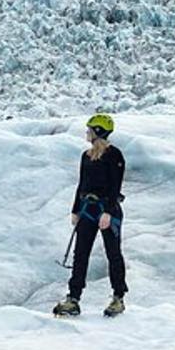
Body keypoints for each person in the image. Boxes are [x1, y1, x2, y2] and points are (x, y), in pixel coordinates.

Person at [54, 113, 128, 317]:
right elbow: (81, 184)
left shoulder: (115, 155)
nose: (86, 133)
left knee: (113, 253)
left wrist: (108, 212)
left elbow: (115, 186)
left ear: (98, 132)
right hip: (88, 209)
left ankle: (118, 297)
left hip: (106, 210)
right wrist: (75, 210)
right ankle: (73, 298)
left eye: (89, 130)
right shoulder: (86, 156)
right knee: (81, 254)